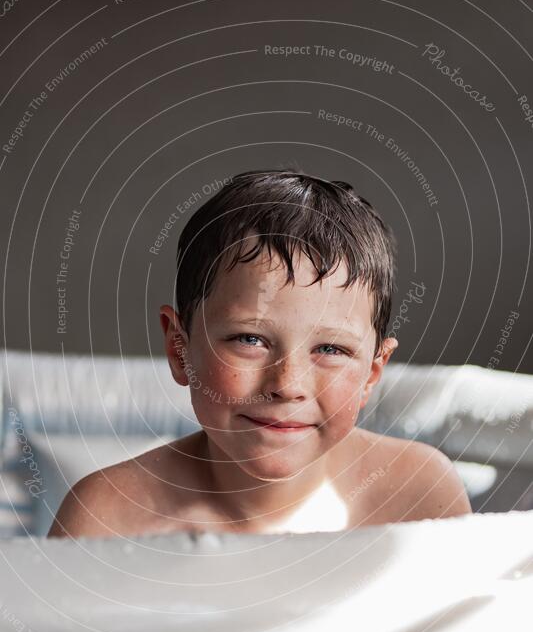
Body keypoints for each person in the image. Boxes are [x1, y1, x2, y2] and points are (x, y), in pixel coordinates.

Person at [48, 169, 471, 539]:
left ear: (372, 373)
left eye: (330, 348)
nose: (288, 385)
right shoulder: (108, 515)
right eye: (249, 340)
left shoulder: (418, 494)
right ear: (179, 349)